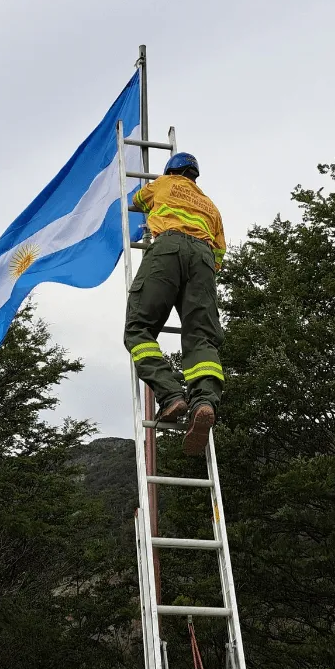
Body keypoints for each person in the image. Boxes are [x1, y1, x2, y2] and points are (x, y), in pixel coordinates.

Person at [124, 152, 226, 456]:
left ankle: (171, 396)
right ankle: (204, 402)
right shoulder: (211, 206)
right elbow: (220, 253)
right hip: (204, 260)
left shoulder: (163, 183)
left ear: (171, 170)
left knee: (139, 329)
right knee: (202, 336)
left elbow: (139, 200)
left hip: (167, 247)